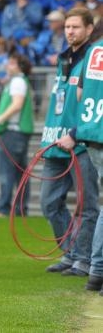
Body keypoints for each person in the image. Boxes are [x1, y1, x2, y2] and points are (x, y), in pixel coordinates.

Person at [39, 7, 100, 277]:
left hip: (81, 141)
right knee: (49, 203)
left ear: (89, 29)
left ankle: (84, 259)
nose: (70, 31)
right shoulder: (63, 57)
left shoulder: (93, 57)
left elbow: (93, 101)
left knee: (86, 206)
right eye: (67, 27)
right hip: (55, 140)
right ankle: (72, 251)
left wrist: (75, 133)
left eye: (76, 27)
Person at [56, 23, 103, 294]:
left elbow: (80, 94)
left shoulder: (94, 50)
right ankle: (96, 270)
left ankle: (96, 271)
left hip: (92, 133)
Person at [0, 52, 35, 218]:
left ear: (19, 66)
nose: (7, 66)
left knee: (7, 171)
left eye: (11, 63)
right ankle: (21, 208)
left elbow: (17, 105)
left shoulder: (17, 81)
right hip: (18, 132)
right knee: (20, 172)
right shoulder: (19, 81)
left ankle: (3, 207)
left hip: (12, 131)